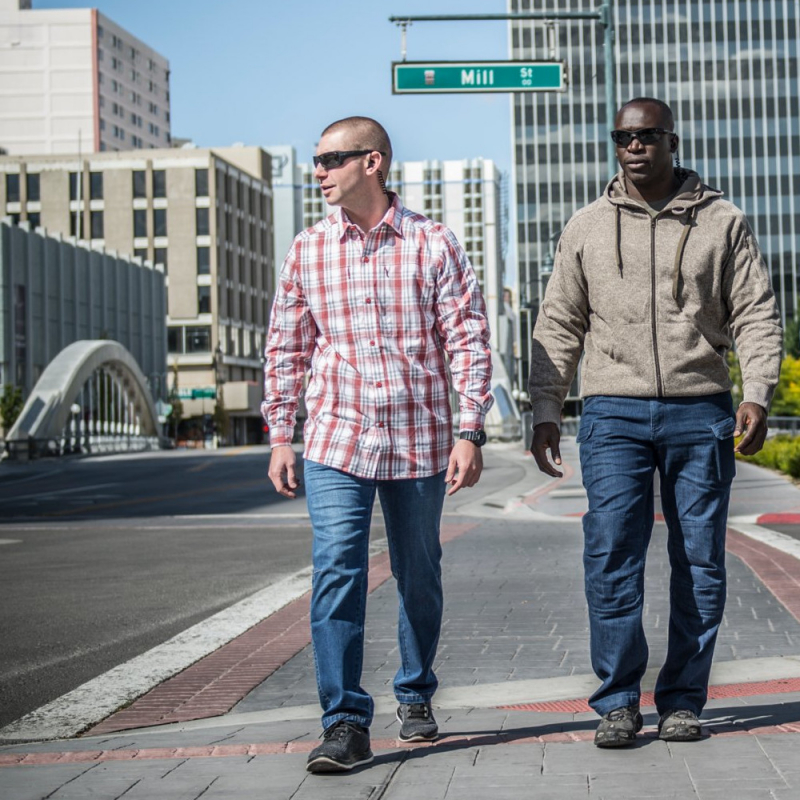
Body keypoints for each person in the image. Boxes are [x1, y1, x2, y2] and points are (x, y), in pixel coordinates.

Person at [528, 97, 782, 748]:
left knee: (700, 560)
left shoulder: (721, 221)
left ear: (671, 140)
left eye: (646, 136)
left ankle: (683, 699)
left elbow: (754, 311)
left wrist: (756, 390)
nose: (634, 147)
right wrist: (548, 406)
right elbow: (559, 321)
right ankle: (617, 700)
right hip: (612, 410)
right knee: (610, 552)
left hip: (700, 408)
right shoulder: (587, 226)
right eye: (623, 137)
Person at [262, 116, 493, 772]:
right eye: (316, 161)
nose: (319, 172)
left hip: (419, 439)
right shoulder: (307, 249)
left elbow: (468, 339)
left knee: (420, 572)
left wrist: (469, 429)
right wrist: (281, 433)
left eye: (331, 159)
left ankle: (415, 692)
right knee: (339, 568)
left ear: (374, 162)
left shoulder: (433, 243)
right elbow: (286, 345)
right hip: (335, 437)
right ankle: (343, 722)